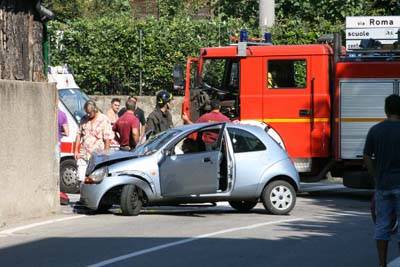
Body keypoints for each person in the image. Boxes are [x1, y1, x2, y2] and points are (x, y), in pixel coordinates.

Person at [363, 94, 400, 267]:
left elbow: (367, 156)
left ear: (386, 110)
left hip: (383, 185)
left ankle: (382, 263)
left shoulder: (375, 130)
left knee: (382, 226)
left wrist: (375, 175)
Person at [74, 100, 113, 182]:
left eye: (90, 113)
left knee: (93, 180)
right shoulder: (84, 119)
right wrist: (76, 151)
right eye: (86, 112)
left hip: (97, 156)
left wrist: (105, 155)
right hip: (83, 154)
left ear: (95, 110)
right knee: (81, 178)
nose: (88, 115)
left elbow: (107, 139)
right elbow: (78, 134)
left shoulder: (104, 119)